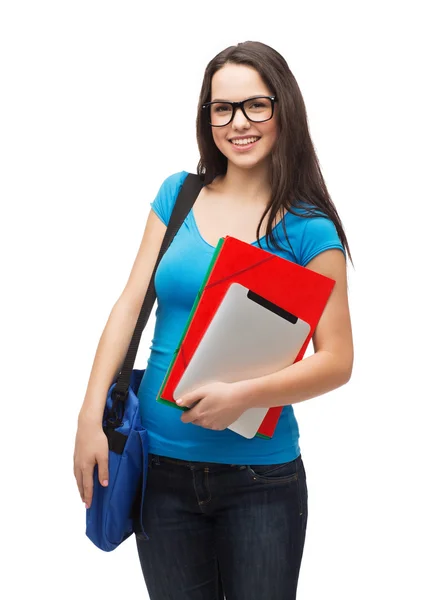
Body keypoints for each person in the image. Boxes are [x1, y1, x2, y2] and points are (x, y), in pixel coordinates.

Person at [73, 40, 354, 600]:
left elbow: (338, 360)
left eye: (256, 105)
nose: (238, 122)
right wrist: (87, 415)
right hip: (159, 470)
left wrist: (243, 395)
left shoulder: (308, 227)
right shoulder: (177, 195)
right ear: (207, 118)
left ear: (283, 110)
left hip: (261, 481)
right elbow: (129, 304)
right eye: (221, 108)